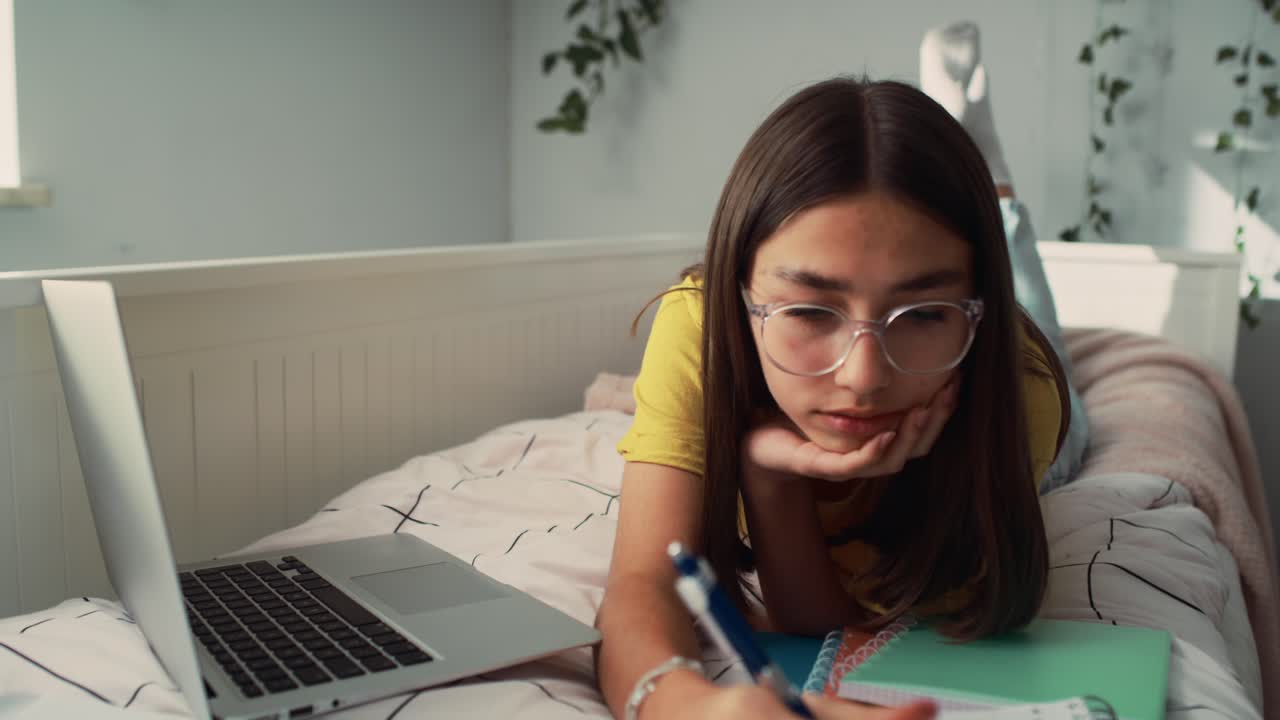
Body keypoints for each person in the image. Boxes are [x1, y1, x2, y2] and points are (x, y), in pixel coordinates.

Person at [595, 22, 1089, 720]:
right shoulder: (701, 326)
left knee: (1047, 329)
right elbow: (645, 580)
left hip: (1023, 360)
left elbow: (834, 621)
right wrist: (688, 707)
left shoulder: (1019, 388)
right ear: (741, 295)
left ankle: (999, 190)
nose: (862, 377)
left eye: (922, 315)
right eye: (807, 311)